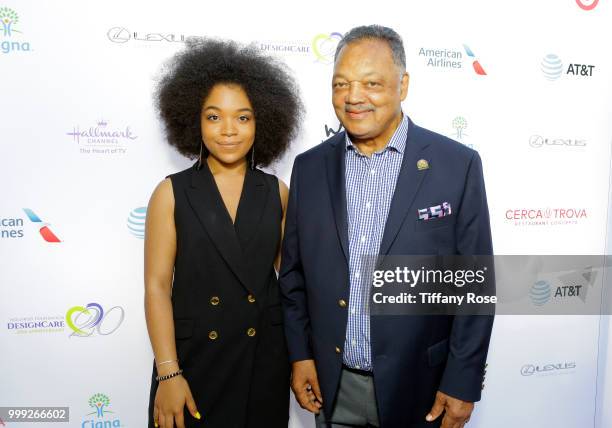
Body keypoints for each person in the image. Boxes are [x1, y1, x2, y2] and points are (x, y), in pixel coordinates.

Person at [280, 25, 494, 428]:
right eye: (340, 84)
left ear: (403, 85)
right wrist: (300, 354)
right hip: (333, 382)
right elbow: (292, 277)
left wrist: (463, 381)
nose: (353, 97)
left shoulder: (456, 165)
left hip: (421, 387)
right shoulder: (309, 168)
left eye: (371, 83)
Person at [145, 38, 302, 428]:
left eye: (243, 117)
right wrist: (168, 372)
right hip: (191, 364)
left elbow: (294, 283)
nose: (228, 130)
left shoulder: (276, 192)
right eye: (214, 117)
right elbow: (157, 287)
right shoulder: (171, 192)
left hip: (262, 362)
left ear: (262, 121)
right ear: (193, 121)